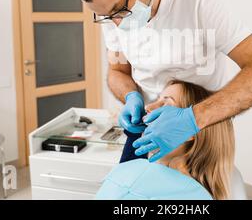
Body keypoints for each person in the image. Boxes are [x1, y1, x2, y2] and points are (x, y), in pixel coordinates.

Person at [72, 0, 252, 163]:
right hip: (147, 127)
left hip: (200, 131)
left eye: (120, 9)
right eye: (105, 16)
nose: (117, 23)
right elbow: (118, 71)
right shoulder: (112, 16)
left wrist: (191, 120)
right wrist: (131, 96)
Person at [96, 80, 235, 200]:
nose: (148, 107)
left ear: (189, 130)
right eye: (157, 100)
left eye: (165, 104)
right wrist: (134, 134)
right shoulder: (138, 170)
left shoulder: (138, 178)